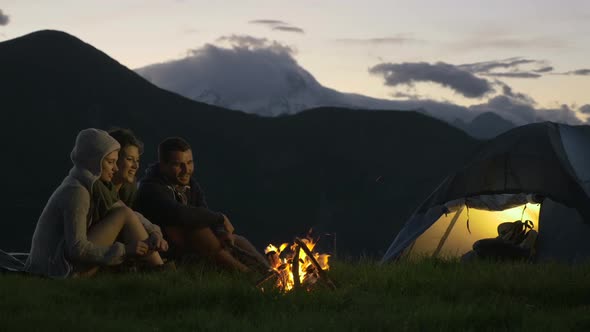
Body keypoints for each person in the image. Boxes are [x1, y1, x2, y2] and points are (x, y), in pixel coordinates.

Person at [25, 128, 166, 278]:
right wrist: (125, 250)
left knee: (123, 213)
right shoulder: (77, 192)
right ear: (94, 161)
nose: (116, 167)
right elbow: (77, 248)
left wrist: (154, 232)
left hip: (62, 266)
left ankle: (159, 269)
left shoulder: (96, 188)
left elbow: (128, 213)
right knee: (122, 215)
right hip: (57, 271)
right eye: (111, 162)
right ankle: (161, 271)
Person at [134, 137, 268, 272]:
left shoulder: (189, 184)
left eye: (189, 162)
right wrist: (220, 218)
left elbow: (202, 210)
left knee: (237, 240)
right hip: (164, 252)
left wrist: (220, 231)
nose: (186, 170)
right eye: (178, 164)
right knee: (198, 230)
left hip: (192, 247)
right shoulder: (151, 188)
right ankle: (248, 276)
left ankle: (271, 274)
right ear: (163, 165)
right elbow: (179, 214)